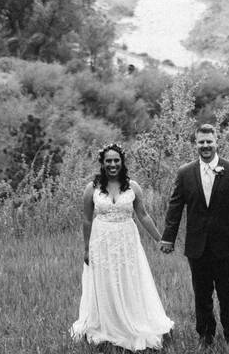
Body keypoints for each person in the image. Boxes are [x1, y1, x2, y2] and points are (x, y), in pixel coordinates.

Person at [71, 143, 174, 351]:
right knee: (105, 282)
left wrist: (160, 239)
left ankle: (132, 321)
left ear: (122, 162)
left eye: (116, 160)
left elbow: (143, 215)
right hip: (101, 242)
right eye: (108, 160)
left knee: (129, 280)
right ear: (102, 163)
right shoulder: (92, 188)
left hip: (128, 242)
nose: (112, 164)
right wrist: (86, 248)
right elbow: (87, 220)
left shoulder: (133, 187)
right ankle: (107, 324)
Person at [160, 124, 229, 349]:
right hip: (197, 246)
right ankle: (205, 336)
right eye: (201, 142)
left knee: (226, 292)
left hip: (226, 244)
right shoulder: (185, 173)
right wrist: (168, 238)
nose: (205, 146)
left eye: (209, 141)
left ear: (216, 141)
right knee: (201, 294)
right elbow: (175, 207)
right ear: (196, 144)